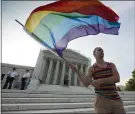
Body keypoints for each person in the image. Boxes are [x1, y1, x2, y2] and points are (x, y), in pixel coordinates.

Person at [68, 47, 125, 114]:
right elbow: (86, 83)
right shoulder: (92, 68)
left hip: (116, 99)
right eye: (99, 50)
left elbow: (117, 78)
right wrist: (76, 70)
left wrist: (100, 81)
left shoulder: (111, 65)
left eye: (103, 50)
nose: (102, 51)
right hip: (101, 100)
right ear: (94, 54)